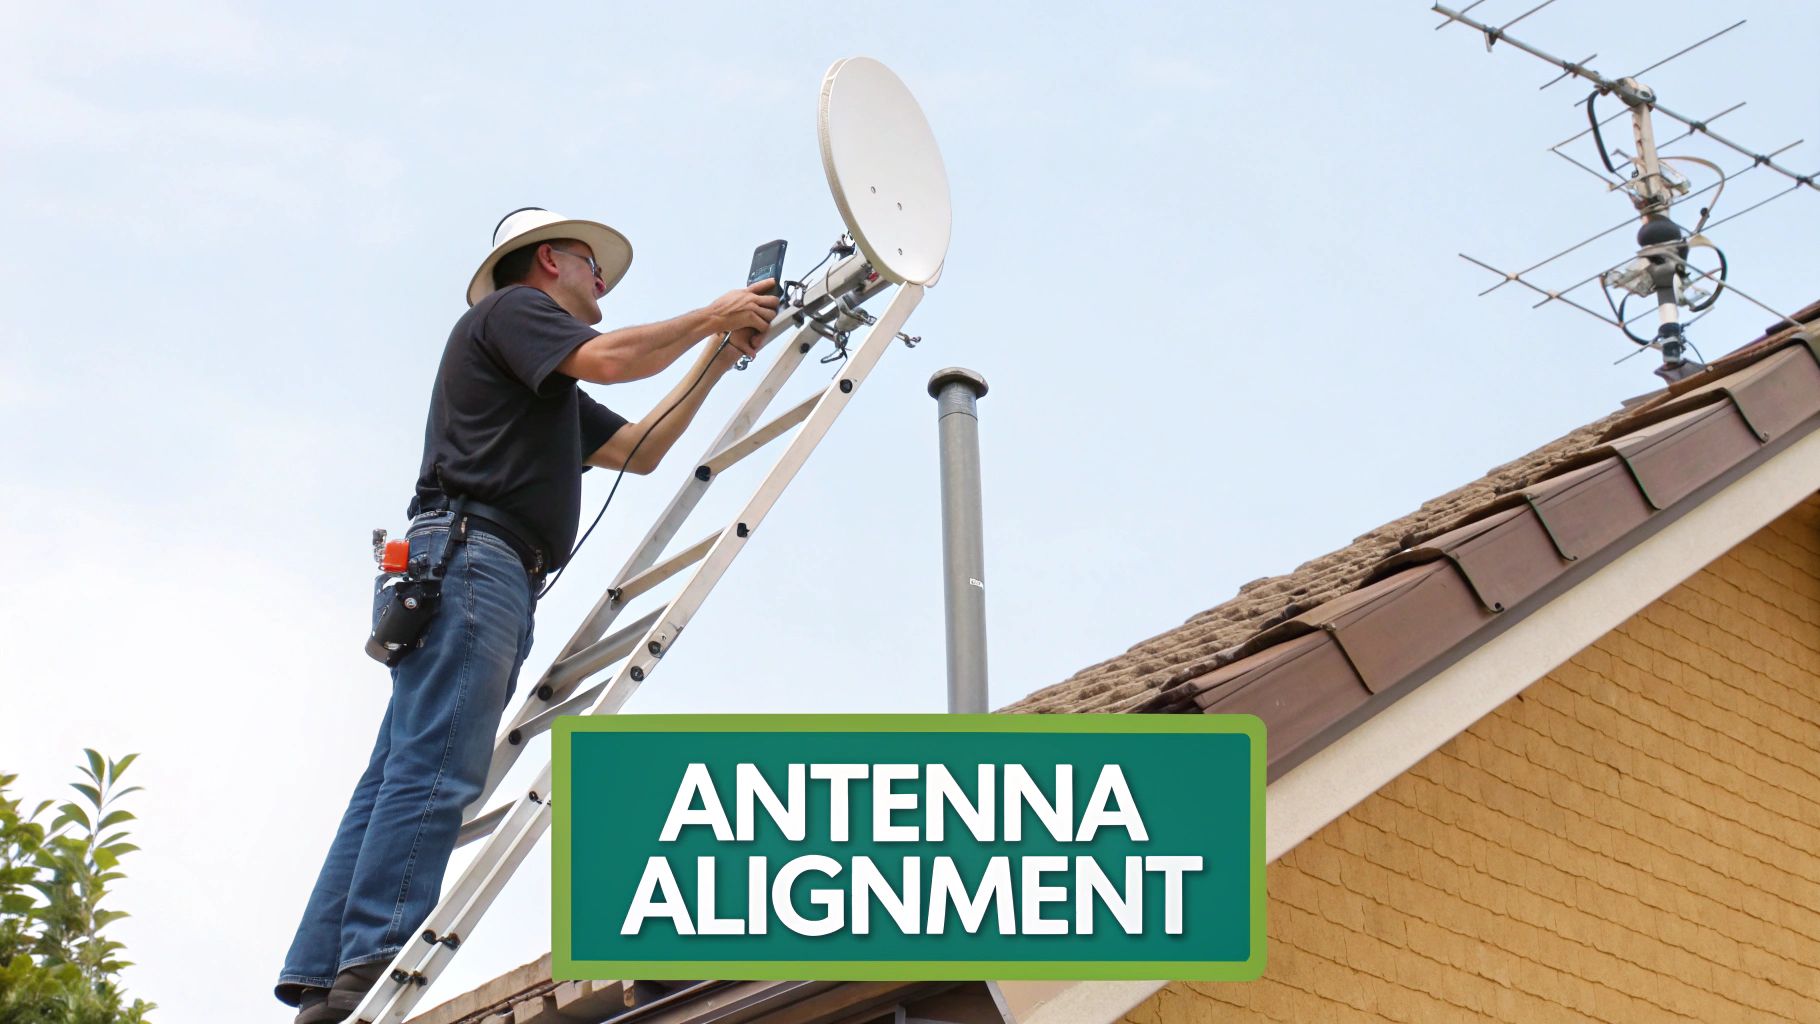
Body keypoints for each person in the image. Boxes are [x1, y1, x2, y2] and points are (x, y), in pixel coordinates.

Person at [273, 207, 779, 1023]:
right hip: (478, 558)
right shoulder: (513, 315)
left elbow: (643, 447)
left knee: (398, 772)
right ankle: (371, 962)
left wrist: (719, 354)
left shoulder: (543, 376)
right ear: (549, 261)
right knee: (436, 770)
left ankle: (330, 982)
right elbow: (614, 363)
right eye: (591, 263)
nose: (602, 279)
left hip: (472, 563)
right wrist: (710, 316)